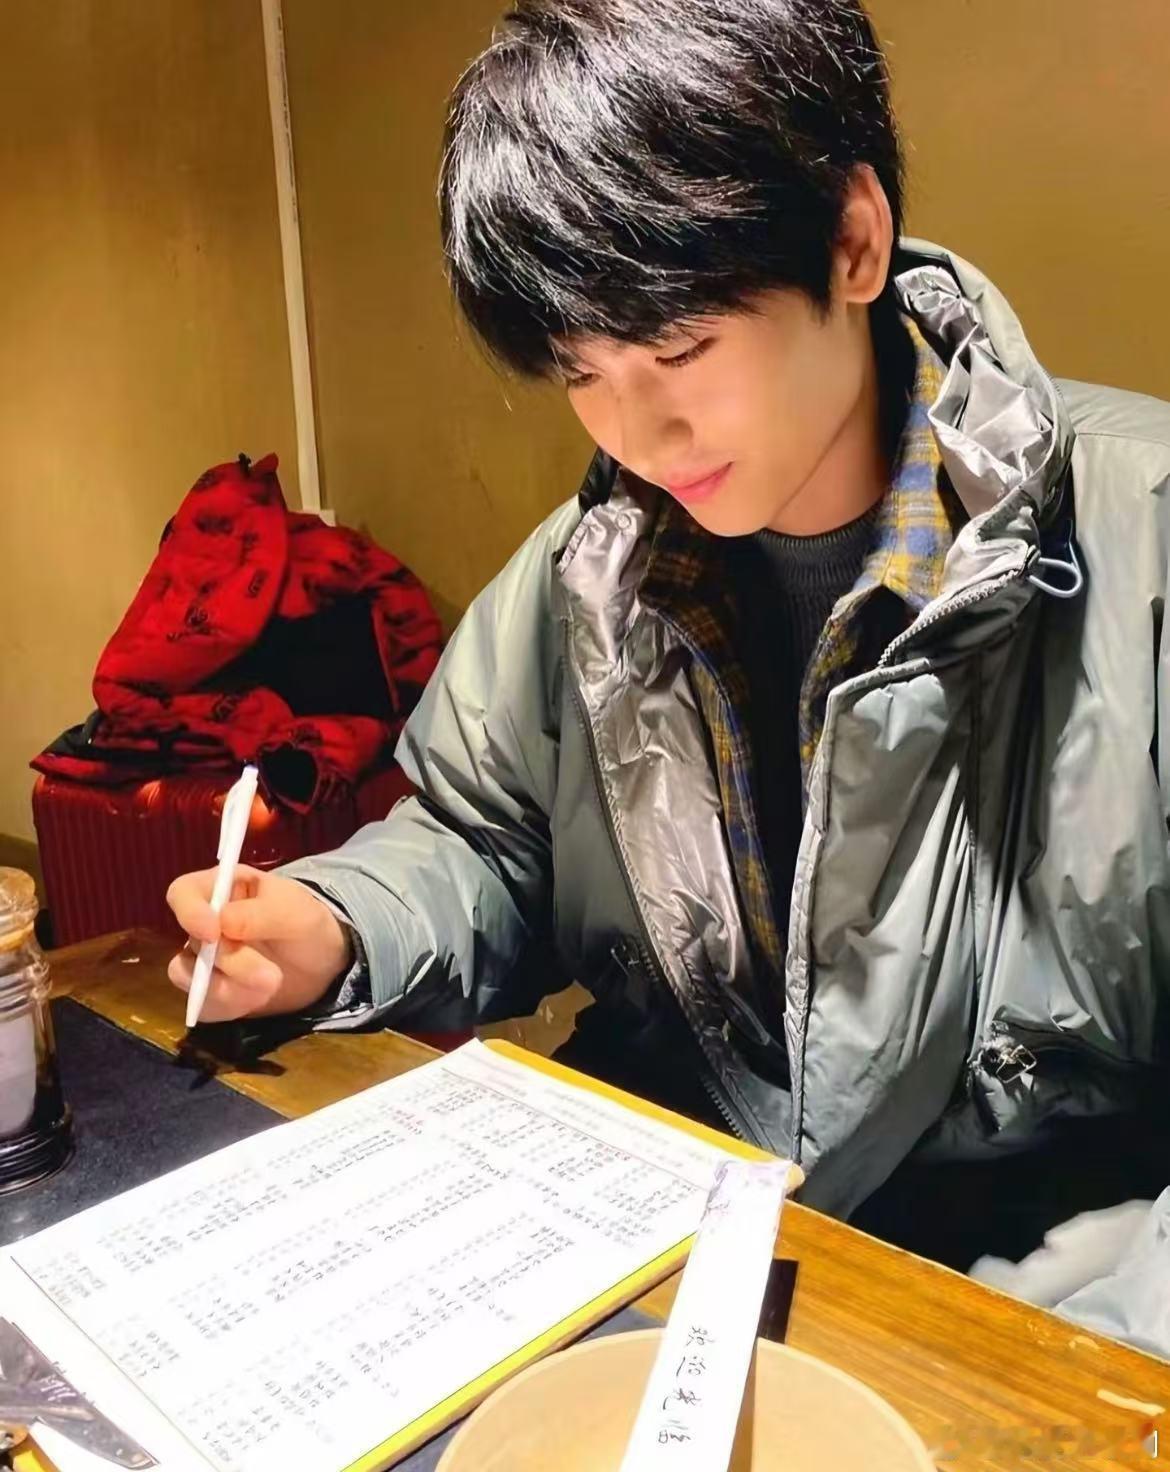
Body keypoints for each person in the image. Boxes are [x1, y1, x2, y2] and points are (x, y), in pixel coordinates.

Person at [166, 0, 1170, 1321]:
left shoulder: (1139, 539)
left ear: (852, 241)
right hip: (661, 1247)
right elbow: (487, 839)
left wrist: (1079, 1377)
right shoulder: (595, 567)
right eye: (581, 372)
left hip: (1022, 1309)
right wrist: (338, 925)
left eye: (680, 348)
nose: (638, 433)